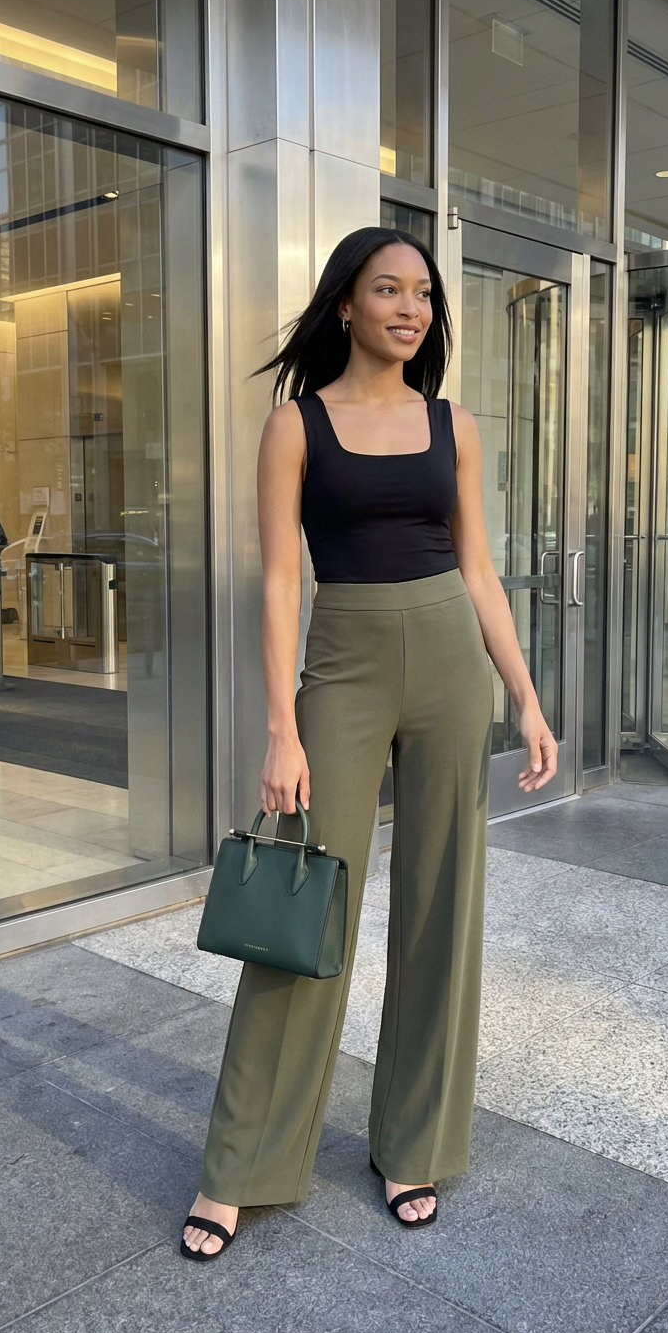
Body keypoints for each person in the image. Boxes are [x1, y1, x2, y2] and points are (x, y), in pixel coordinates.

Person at [181, 227, 557, 1261]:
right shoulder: (295, 424)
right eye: (387, 289)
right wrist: (279, 725)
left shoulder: (454, 425)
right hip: (343, 662)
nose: (410, 307)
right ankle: (243, 1160)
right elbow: (276, 582)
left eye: (423, 294)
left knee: (443, 907)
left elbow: (480, 571)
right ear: (345, 303)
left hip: (447, 657)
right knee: (304, 904)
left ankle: (412, 1142)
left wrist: (525, 696)